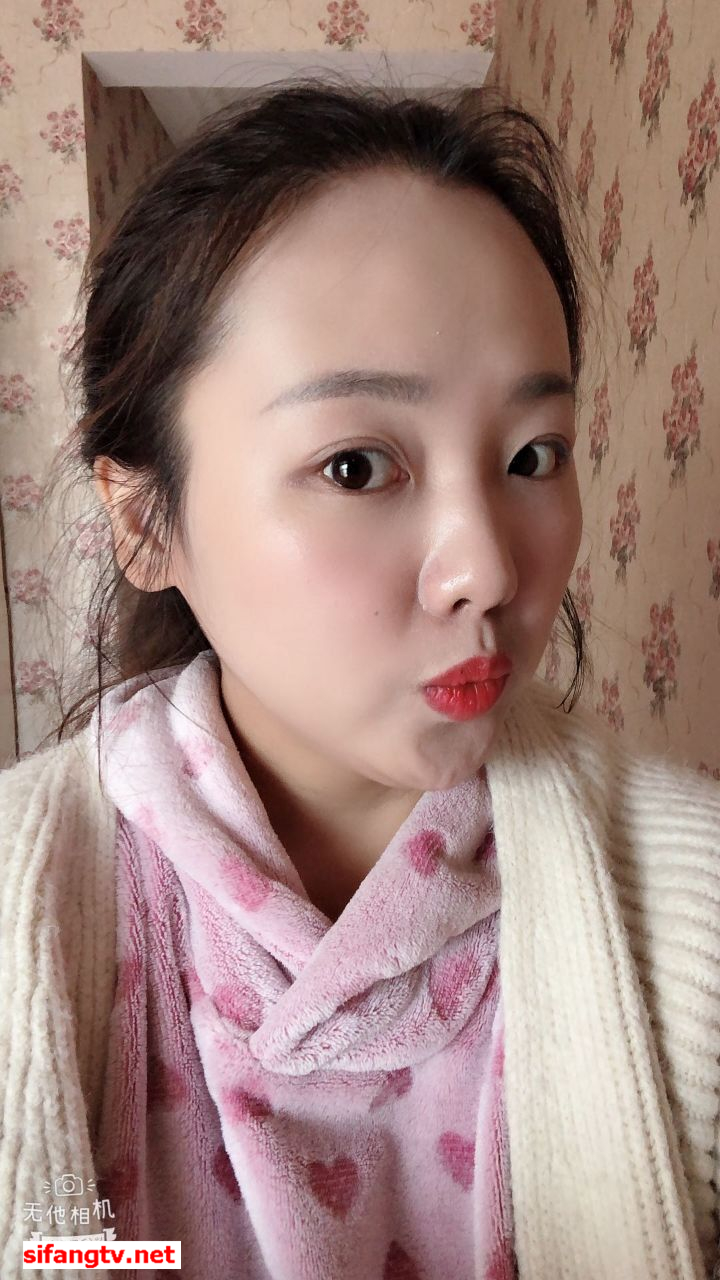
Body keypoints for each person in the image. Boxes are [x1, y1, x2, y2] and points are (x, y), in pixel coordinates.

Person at [0, 77, 717, 1280]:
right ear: (143, 520)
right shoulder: (28, 925)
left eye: (532, 455)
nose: (489, 567)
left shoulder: (690, 922)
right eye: (355, 466)